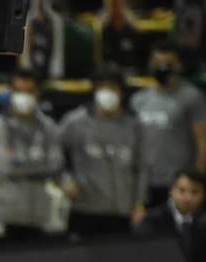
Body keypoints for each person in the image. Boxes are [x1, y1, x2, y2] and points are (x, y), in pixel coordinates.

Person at [59, 66, 146, 237]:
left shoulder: (134, 125)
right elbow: (53, 153)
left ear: (121, 91)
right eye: (102, 87)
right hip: (85, 210)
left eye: (112, 87)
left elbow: (142, 167)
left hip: (122, 211)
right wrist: (66, 179)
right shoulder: (75, 122)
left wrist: (139, 204)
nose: (107, 92)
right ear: (94, 89)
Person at [0, 69, 64, 240]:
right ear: (11, 93)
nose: (23, 96)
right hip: (6, 219)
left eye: (28, 91)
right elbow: (7, 167)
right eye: (18, 91)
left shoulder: (48, 126)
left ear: (37, 93)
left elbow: (56, 164)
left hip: (39, 218)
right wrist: (41, 162)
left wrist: (18, 160)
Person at [130, 41, 206, 206]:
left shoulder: (192, 97)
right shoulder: (138, 100)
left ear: (178, 65)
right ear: (150, 64)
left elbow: (204, 144)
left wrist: (195, 183)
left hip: (177, 184)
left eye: (168, 63)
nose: (162, 67)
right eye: (157, 63)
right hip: (144, 183)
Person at [133, 168, 204, 262]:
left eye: (194, 192)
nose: (188, 198)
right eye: (182, 190)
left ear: (203, 195)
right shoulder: (153, 220)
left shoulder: (204, 224)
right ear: (171, 191)